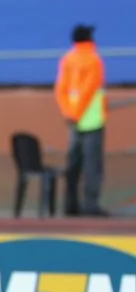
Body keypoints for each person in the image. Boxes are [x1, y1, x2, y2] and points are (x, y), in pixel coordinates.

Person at [55, 24, 108, 216]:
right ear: (89, 39)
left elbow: (60, 90)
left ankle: (70, 206)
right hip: (92, 121)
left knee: (72, 165)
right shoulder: (94, 60)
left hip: (72, 122)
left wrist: (68, 114)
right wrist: (78, 114)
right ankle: (90, 206)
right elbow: (89, 90)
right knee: (92, 166)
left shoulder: (67, 59)